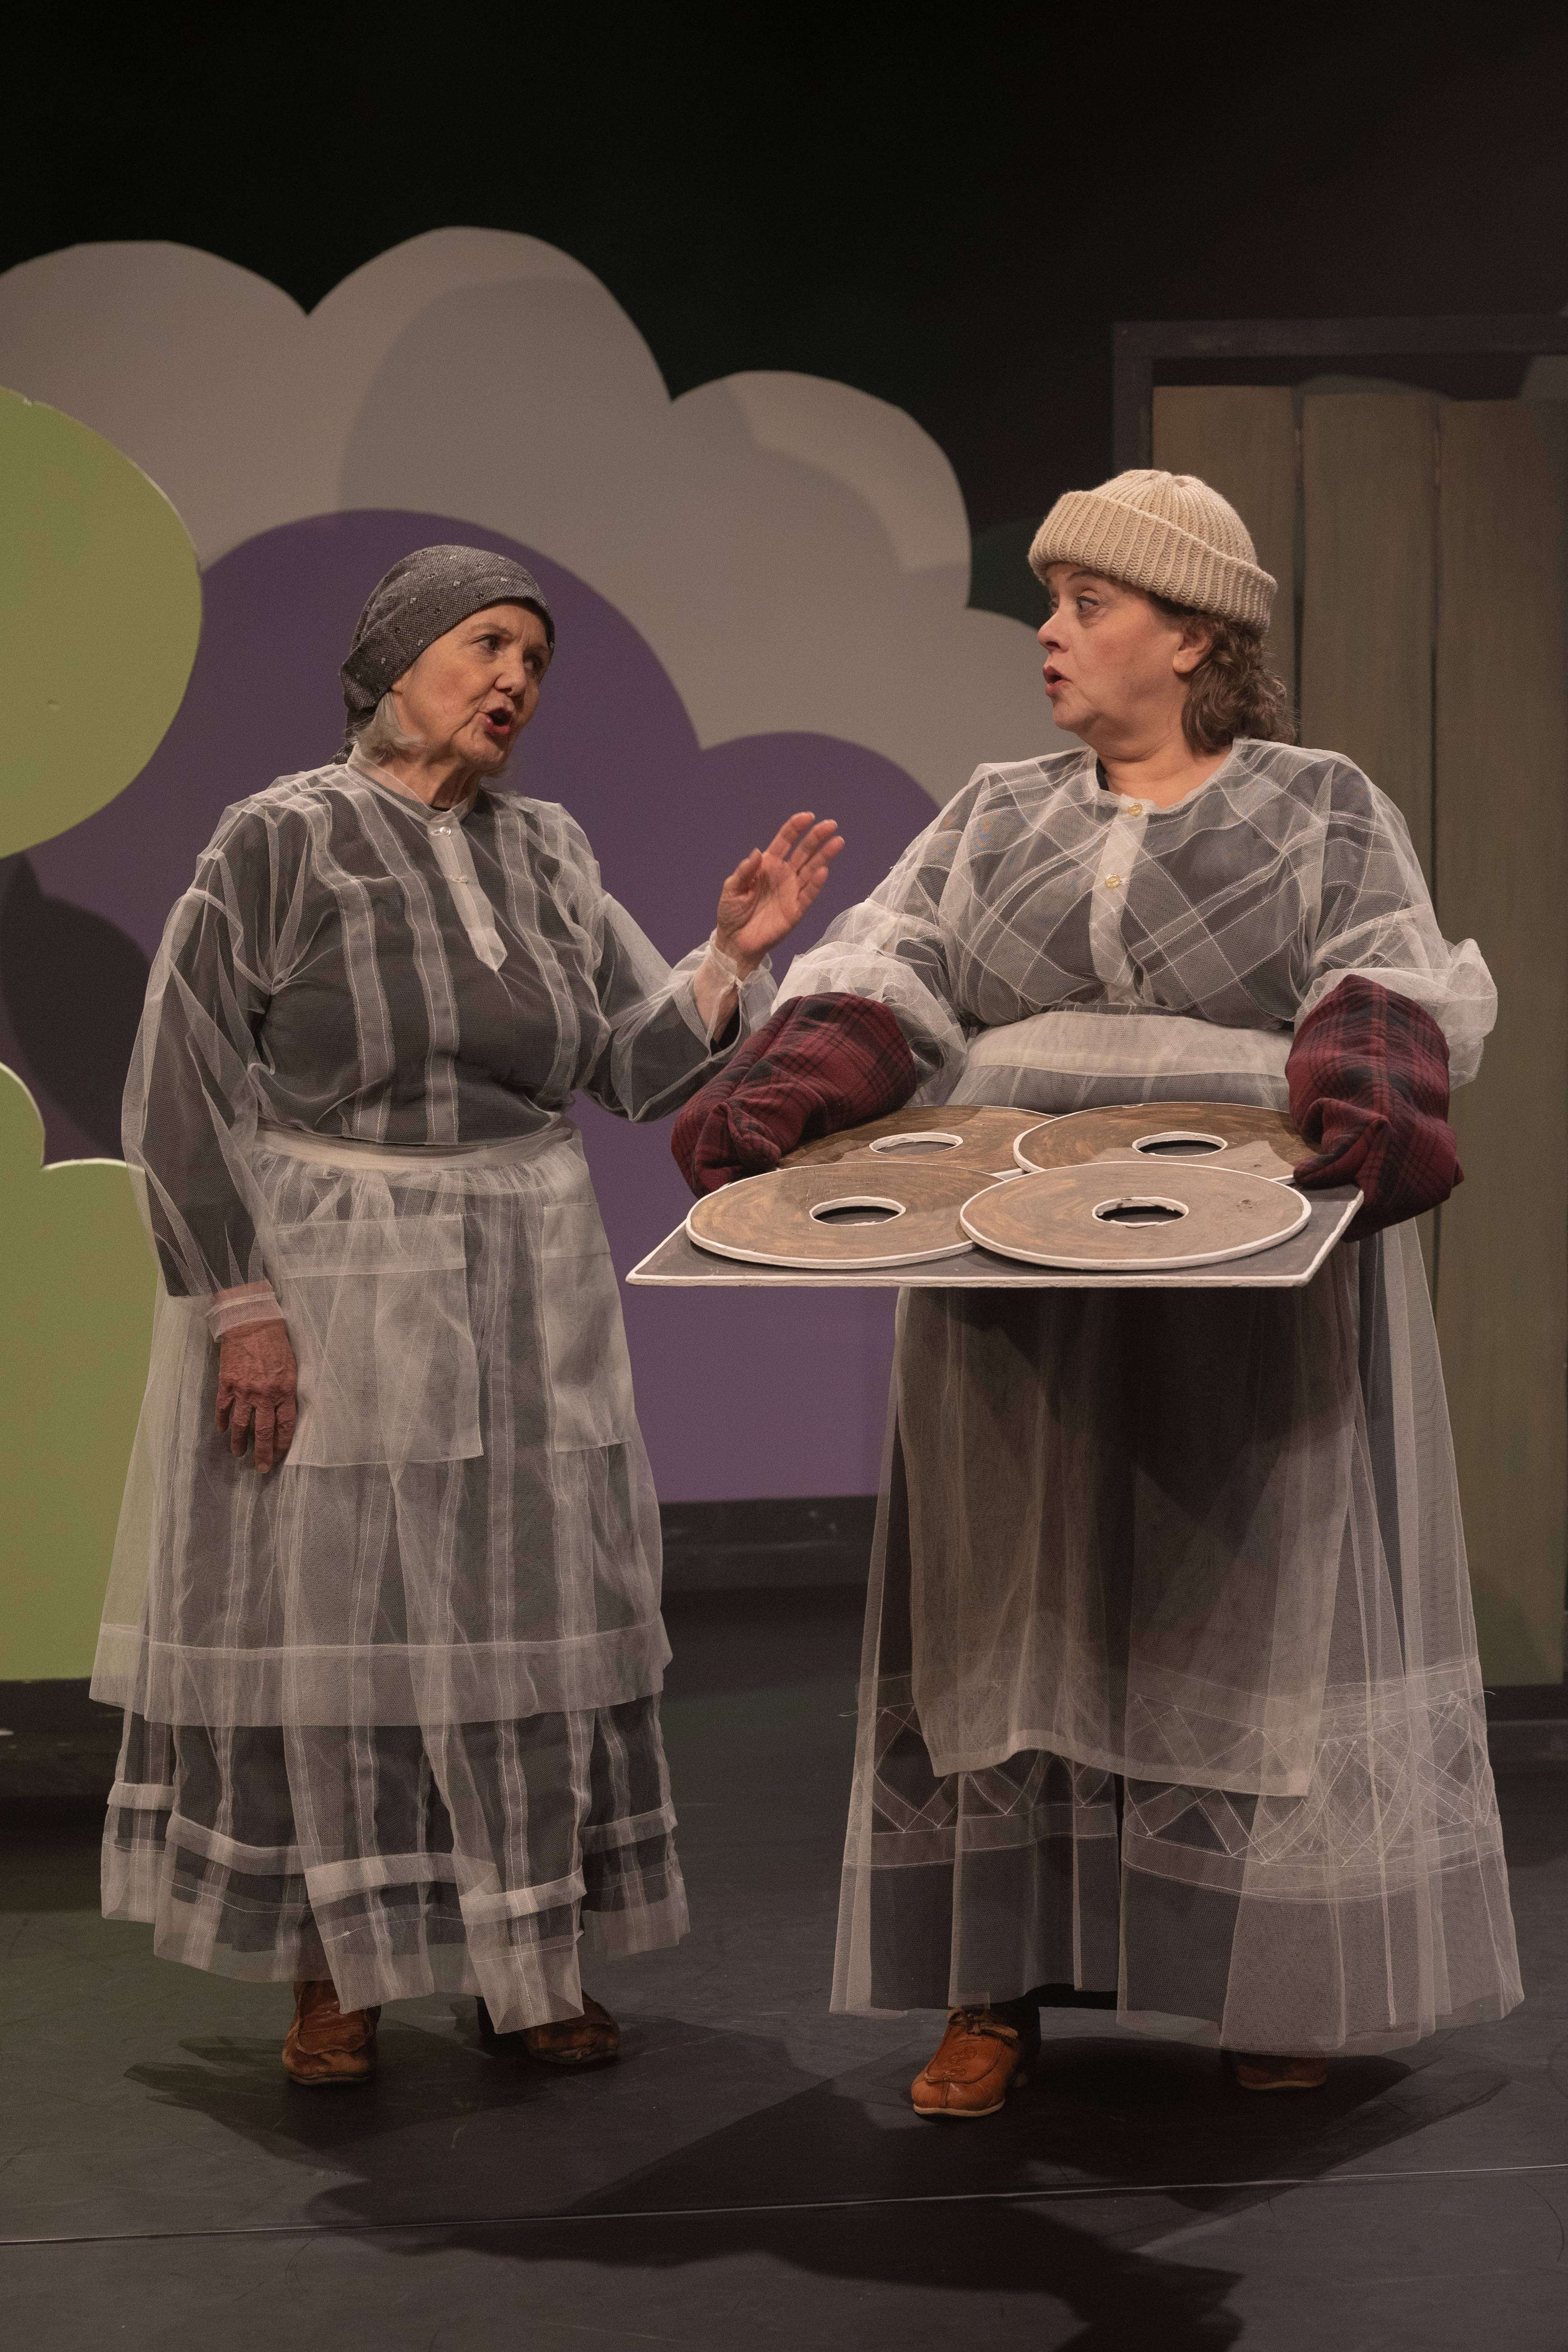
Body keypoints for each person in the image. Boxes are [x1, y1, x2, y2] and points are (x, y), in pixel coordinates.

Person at [674, 471, 1521, 2110]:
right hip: (1019, 1288)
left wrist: (1368, 1089)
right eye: (1050, 601)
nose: (1049, 633)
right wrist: (789, 1087)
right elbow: (896, 969)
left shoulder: (1316, 807)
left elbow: (1377, 973)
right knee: (1008, 1599)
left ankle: (1265, 1964)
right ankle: (993, 1985)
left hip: (1231, 1277)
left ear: (1193, 635)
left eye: (1088, 604)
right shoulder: (998, 810)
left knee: (1239, 1594)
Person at [93, 545, 841, 2085]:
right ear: (396, 661)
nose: (515, 680)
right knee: (349, 1623)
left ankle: (525, 1955)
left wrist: (728, 960)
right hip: (341, 1274)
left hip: (527, 1271)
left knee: (525, 1613)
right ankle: (338, 1972)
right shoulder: (281, 840)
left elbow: (630, 1069)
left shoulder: (548, 850)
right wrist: (243, 1302)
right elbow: (179, 1083)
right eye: (488, 644)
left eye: (536, 662)